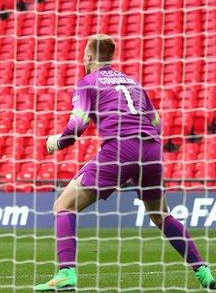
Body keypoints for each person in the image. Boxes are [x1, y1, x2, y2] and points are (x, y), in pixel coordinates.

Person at [35, 34, 215, 291]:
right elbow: (157, 122)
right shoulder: (133, 82)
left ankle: (66, 273)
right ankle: (203, 271)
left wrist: (57, 142)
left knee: (63, 206)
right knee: (161, 215)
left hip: (121, 147)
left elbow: (78, 125)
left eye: (84, 54)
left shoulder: (88, 82)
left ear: (88, 56)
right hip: (152, 149)